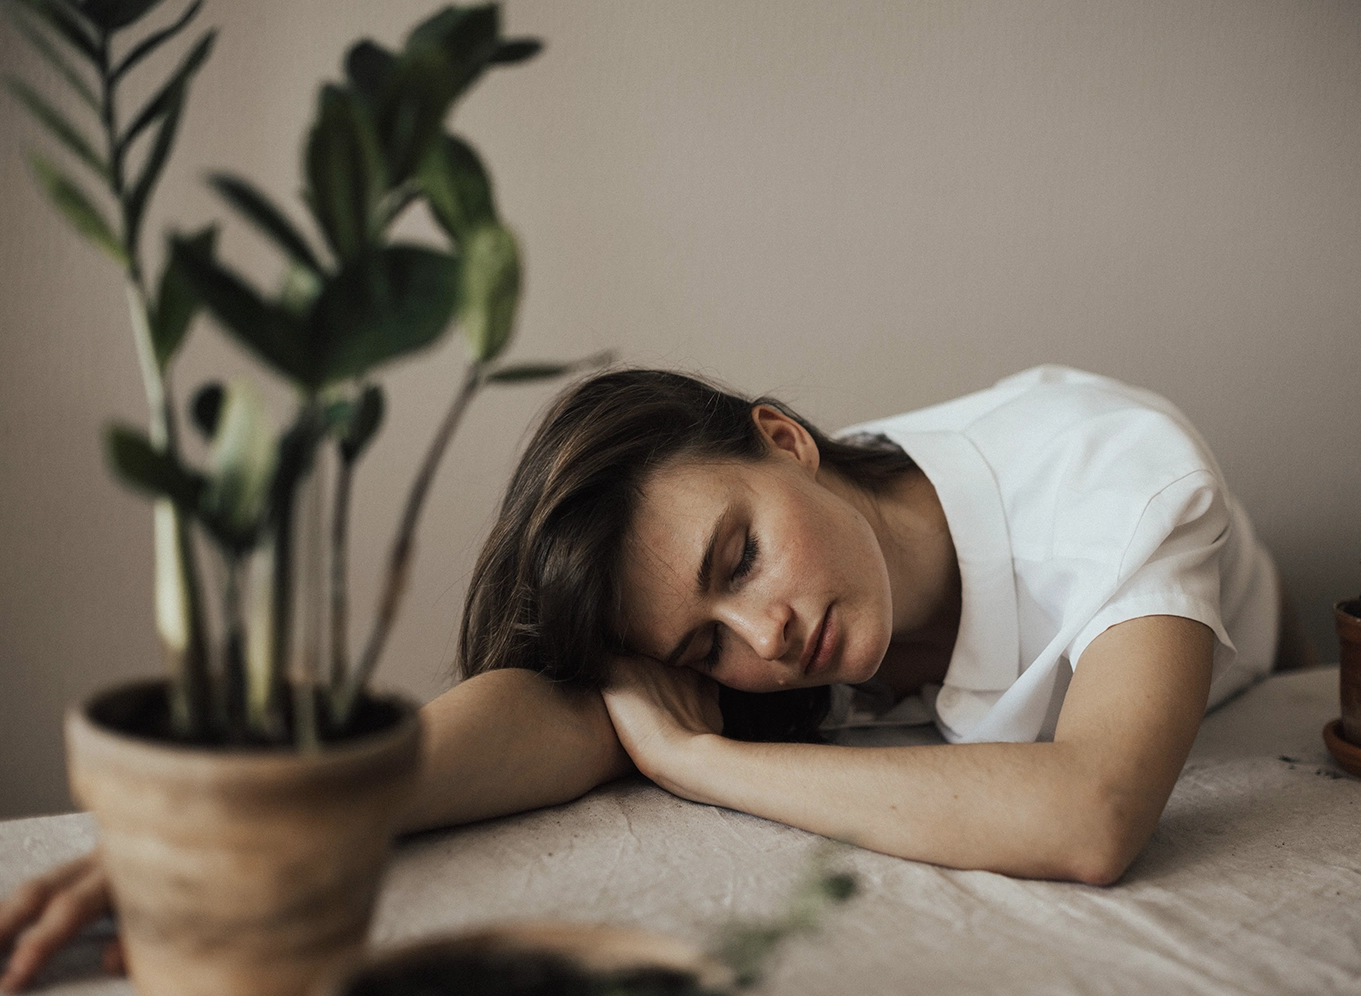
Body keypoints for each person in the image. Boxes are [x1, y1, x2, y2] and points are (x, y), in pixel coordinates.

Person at [0, 364, 1285, 991]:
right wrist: (279, 812)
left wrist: (706, 760)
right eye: (701, 647)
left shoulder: (1119, 473)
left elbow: (1091, 814)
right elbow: (560, 704)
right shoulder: (768, 606)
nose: (761, 639)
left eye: (741, 554)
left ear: (785, 439)